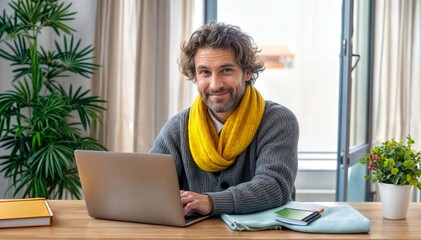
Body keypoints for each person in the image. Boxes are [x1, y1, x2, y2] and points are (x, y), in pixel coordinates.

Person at [150, 22, 299, 216]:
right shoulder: (178, 127)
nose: (215, 84)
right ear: (194, 76)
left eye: (226, 70)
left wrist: (212, 202)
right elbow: (150, 184)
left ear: (247, 72)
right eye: (205, 72)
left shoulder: (278, 121)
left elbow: (275, 186)